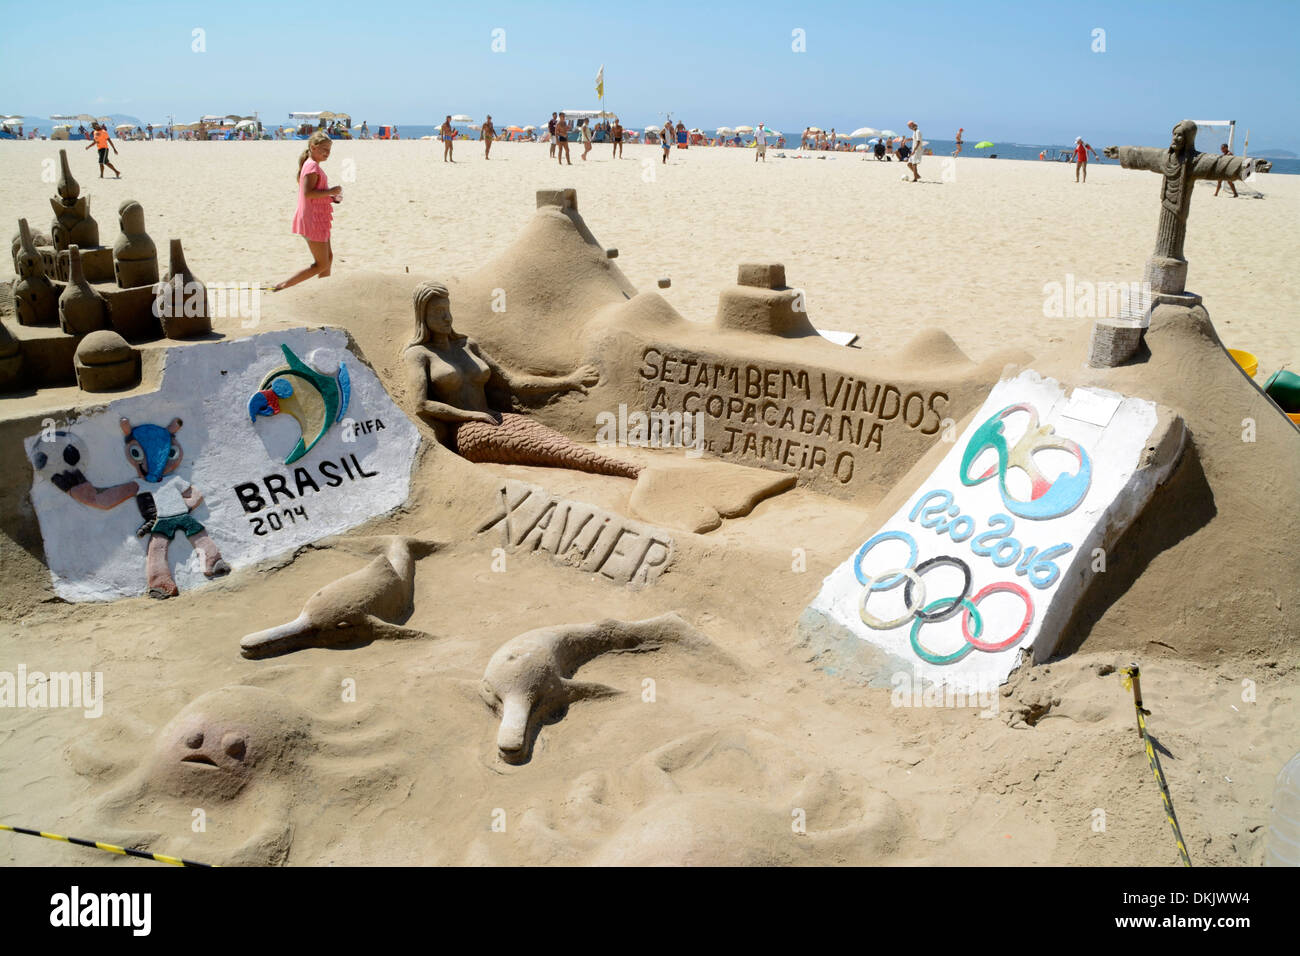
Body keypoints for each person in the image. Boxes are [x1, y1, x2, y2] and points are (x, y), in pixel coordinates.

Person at [402, 282, 636, 477]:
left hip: (497, 417)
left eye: (447, 310)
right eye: (436, 313)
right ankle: (624, 469)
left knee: (555, 441)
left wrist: (569, 381)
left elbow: (512, 382)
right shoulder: (419, 354)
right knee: (543, 449)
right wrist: (471, 415)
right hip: (467, 432)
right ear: (423, 316)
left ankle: (620, 467)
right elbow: (421, 405)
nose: (446, 318)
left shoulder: (467, 345)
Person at [272, 131, 341, 291]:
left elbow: (315, 193)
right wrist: (331, 191)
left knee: (328, 259)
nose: (327, 153)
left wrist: (331, 197)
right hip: (312, 220)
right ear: (313, 147)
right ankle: (283, 285)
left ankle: (324, 290)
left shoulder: (312, 165)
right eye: (324, 149)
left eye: (329, 150)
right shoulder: (311, 166)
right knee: (321, 263)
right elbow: (308, 193)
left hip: (319, 217)